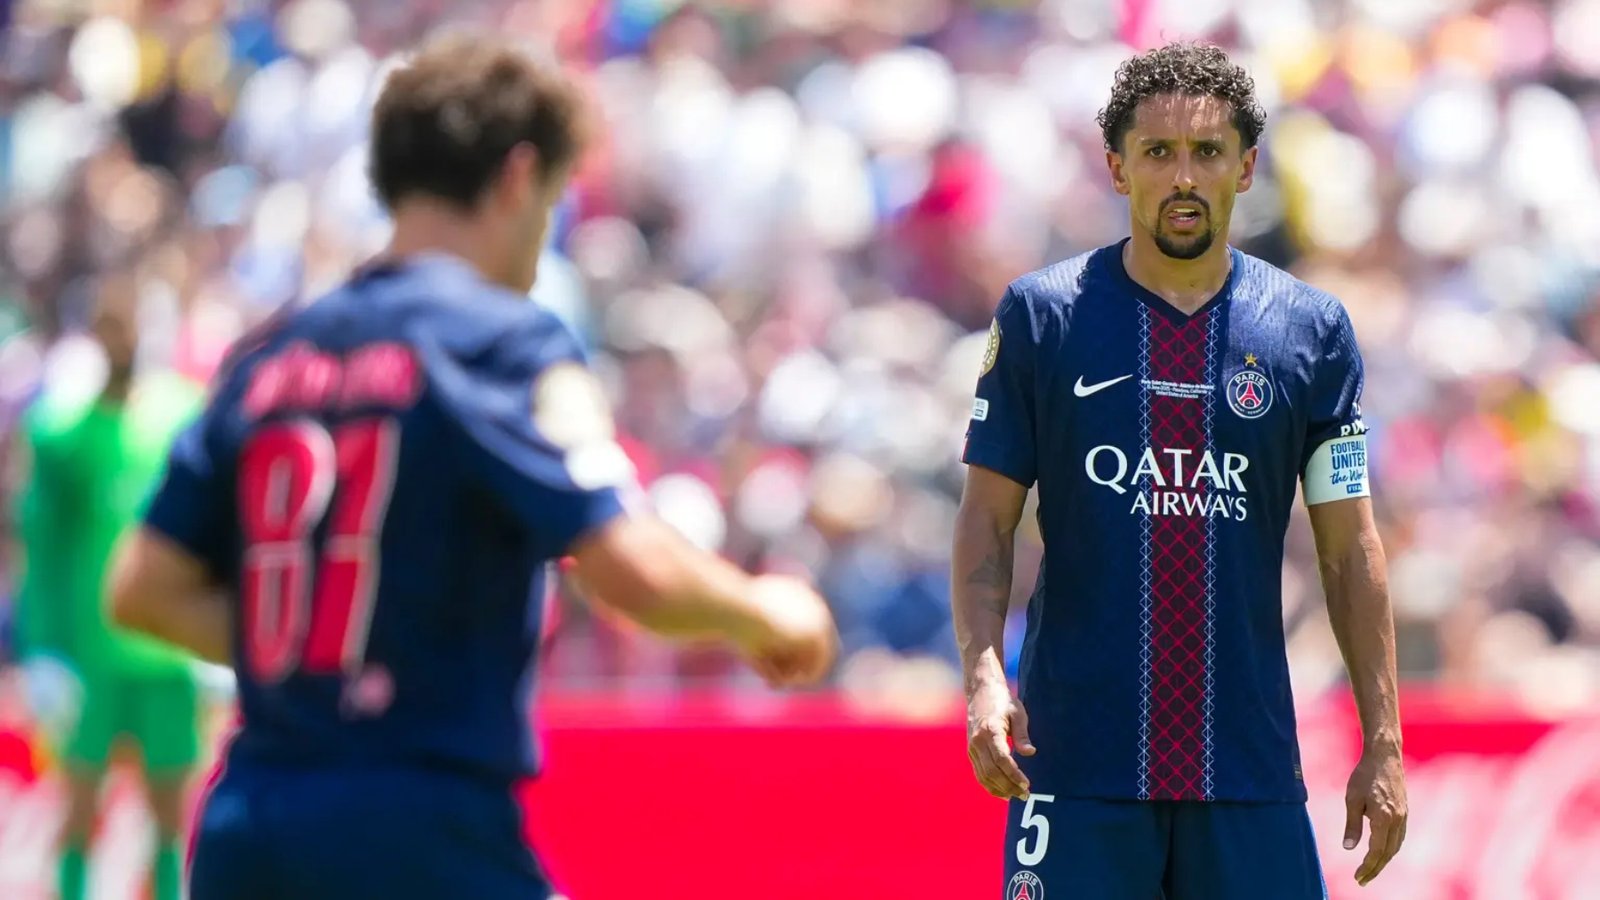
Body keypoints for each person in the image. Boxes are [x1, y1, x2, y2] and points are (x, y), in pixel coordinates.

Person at [108, 33, 838, 900]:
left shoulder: (270, 358)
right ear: (519, 176)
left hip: (247, 832)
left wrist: (319, 645)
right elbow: (630, 570)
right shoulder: (504, 344)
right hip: (415, 829)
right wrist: (762, 611)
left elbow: (143, 590)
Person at [952, 41, 1408, 899]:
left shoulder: (1310, 330)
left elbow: (1350, 547)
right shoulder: (1045, 318)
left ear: (1247, 166)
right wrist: (983, 677)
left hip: (1246, 767)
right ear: (1118, 167)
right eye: (1159, 152)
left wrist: (1382, 740)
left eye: (1208, 152)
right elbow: (987, 517)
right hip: (1075, 764)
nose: (1185, 177)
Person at [13, 267, 207, 900]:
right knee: (78, 810)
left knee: (169, 817)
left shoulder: (184, 416)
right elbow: (43, 549)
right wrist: (41, 647)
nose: (122, 338)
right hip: (90, 651)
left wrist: (213, 641)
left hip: (168, 654)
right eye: (110, 325)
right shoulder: (63, 432)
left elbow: (213, 531)